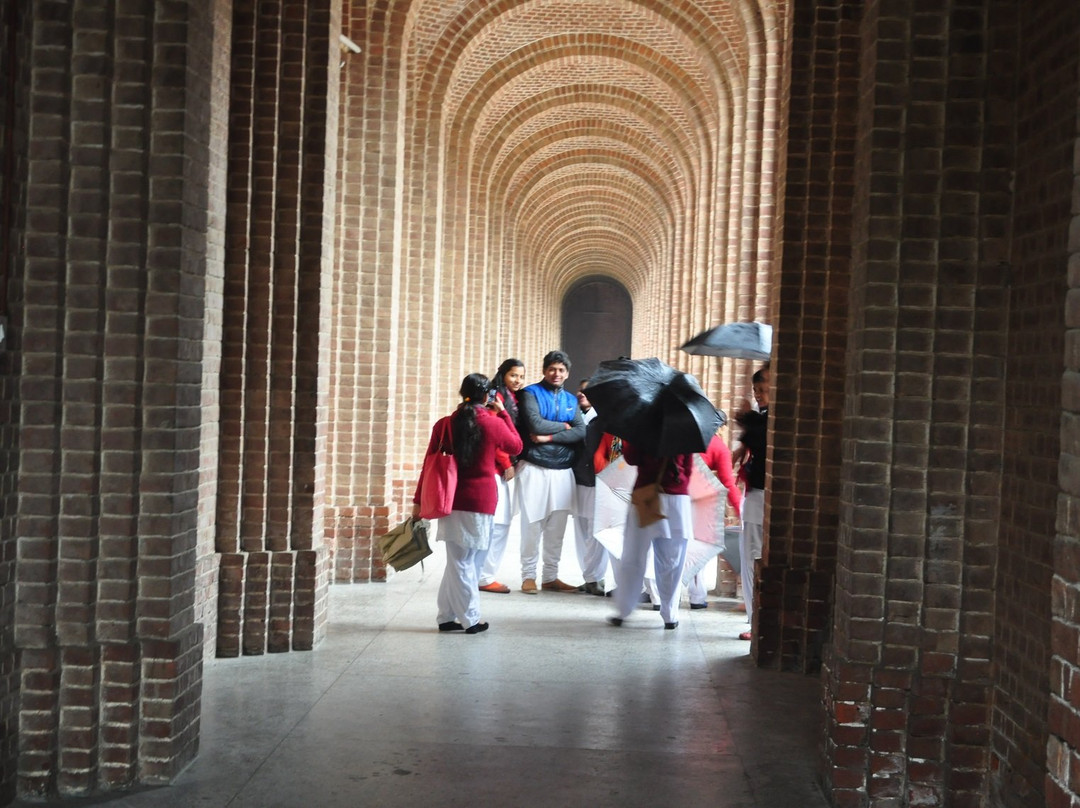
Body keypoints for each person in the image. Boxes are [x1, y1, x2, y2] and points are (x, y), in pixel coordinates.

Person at [413, 373, 522, 633]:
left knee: (458, 560)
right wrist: (504, 413)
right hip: (481, 499)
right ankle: (470, 619)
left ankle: (446, 616)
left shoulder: (444, 424)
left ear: (462, 394)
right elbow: (516, 446)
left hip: (448, 498)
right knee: (466, 561)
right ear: (487, 396)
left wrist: (418, 500)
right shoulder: (493, 422)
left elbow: (428, 464)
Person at [515, 350, 586, 593]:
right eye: (552, 369)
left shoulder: (571, 400)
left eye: (561, 370)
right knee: (532, 524)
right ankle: (528, 576)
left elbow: (581, 431)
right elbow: (534, 423)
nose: (557, 374)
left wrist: (548, 436)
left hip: (563, 469)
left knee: (557, 528)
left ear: (567, 373)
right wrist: (566, 426)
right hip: (535, 467)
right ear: (545, 370)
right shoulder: (530, 394)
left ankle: (550, 576)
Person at [607, 441, 694, 630]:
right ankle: (670, 614)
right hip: (676, 499)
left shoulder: (644, 428)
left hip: (646, 495)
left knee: (633, 555)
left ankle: (623, 610)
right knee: (672, 560)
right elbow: (688, 469)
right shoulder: (684, 429)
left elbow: (630, 458)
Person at [477, 358, 527, 594]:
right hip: (494, 468)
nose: (517, 380)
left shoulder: (512, 397)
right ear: (502, 375)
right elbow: (494, 434)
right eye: (513, 375)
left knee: (500, 523)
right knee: (498, 524)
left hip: (500, 467)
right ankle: (484, 576)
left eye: (521, 376)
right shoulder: (496, 399)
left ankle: (484, 574)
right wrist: (506, 462)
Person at [732, 367, 769, 640]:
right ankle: (755, 619)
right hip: (756, 494)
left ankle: (758, 621)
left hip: (763, 496)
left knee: (755, 557)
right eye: (756, 390)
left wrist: (746, 419)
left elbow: (763, 437)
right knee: (750, 557)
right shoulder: (762, 418)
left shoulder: (765, 420)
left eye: (764, 388)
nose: (759, 394)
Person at [686, 431, 742, 609]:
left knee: (671, 546)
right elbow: (727, 482)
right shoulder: (718, 446)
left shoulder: (679, 438)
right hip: (702, 500)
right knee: (699, 546)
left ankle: (659, 595)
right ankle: (696, 595)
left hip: (674, 495)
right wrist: (741, 509)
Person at [571, 391, 613, 596]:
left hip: (601, 482)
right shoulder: (578, 416)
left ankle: (595, 576)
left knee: (598, 531)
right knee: (581, 529)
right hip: (581, 477)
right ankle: (589, 576)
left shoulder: (611, 422)